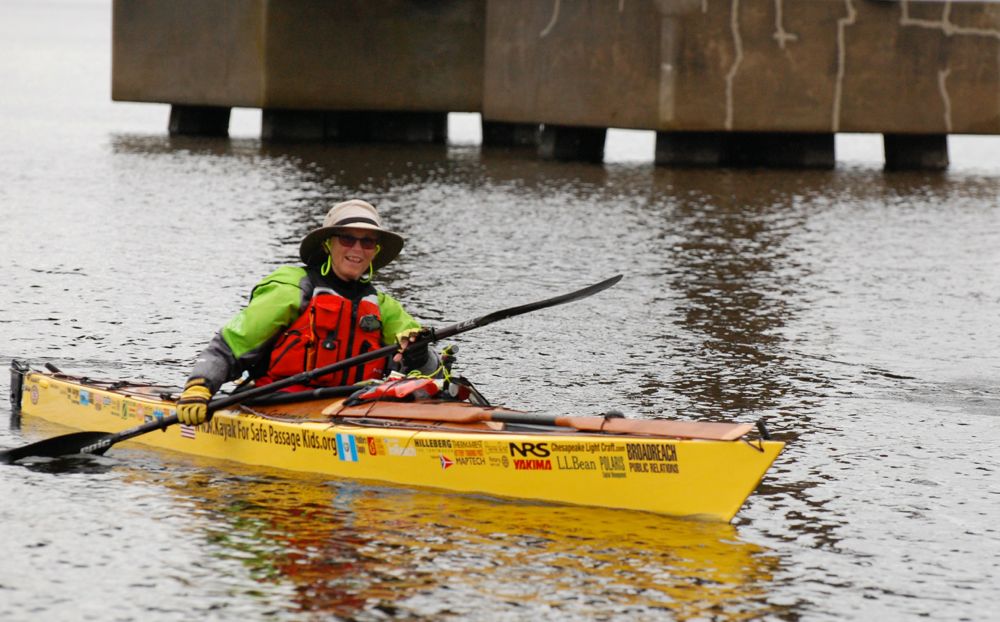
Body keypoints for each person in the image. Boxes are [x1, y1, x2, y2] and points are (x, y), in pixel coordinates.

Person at [176, 199, 438, 426]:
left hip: (353, 404)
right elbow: (231, 344)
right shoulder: (293, 288)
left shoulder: (383, 306)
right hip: (281, 402)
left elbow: (432, 368)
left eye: (368, 242)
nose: (357, 249)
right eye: (347, 238)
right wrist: (200, 385)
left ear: (375, 251)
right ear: (327, 244)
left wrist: (420, 355)